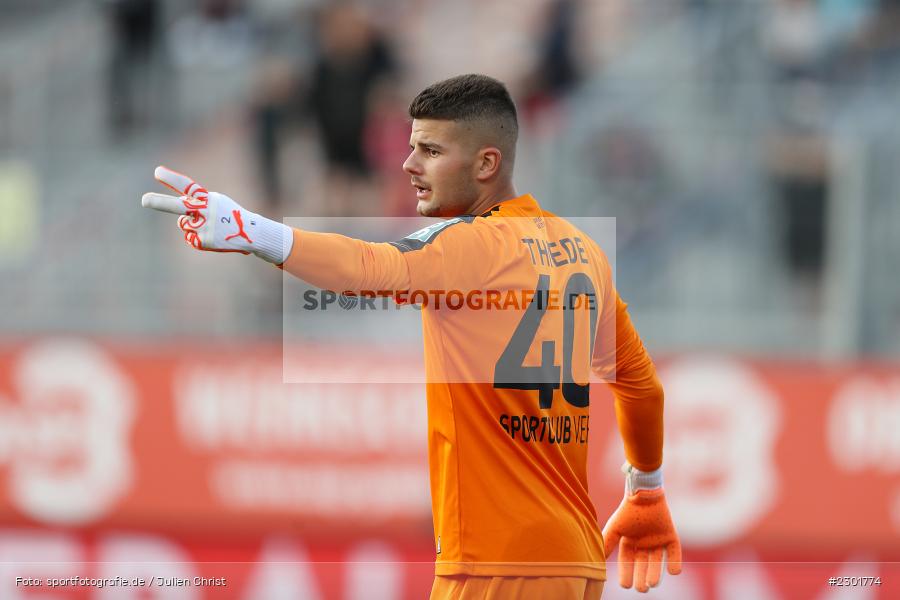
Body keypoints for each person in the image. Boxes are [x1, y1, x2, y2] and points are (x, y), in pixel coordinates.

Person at [142, 74, 681, 599]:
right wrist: (647, 489)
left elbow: (366, 266)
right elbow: (640, 385)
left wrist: (251, 232)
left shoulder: (469, 245)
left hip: (495, 565)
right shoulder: (581, 250)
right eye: (411, 147)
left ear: (486, 163)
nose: (408, 164)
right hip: (574, 563)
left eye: (430, 150)